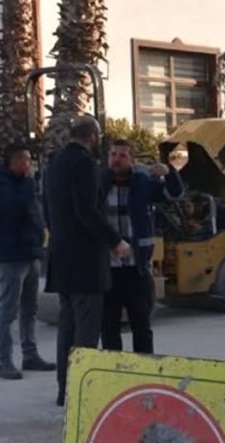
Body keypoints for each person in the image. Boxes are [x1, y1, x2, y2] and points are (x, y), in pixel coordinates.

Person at [44, 116, 130, 406]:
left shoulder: (54, 163)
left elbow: (47, 207)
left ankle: (63, 389)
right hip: (84, 260)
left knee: (66, 326)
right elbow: (87, 210)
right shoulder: (84, 165)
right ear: (93, 137)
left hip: (62, 256)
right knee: (86, 328)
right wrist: (114, 240)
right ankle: (83, 389)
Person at [100, 139, 183, 355]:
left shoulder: (142, 182)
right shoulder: (98, 183)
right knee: (109, 328)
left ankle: (144, 368)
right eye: (113, 154)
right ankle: (113, 372)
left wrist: (169, 171)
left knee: (142, 327)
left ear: (132, 161)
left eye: (122, 156)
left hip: (136, 269)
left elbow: (174, 193)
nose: (116, 159)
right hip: (107, 270)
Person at [0, 144, 55, 380]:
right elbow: (17, 209)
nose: (29, 164)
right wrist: (29, 184)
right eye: (25, 160)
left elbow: (35, 212)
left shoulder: (25, 184)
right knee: (8, 310)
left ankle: (30, 354)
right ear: (12, 162)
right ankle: (4, 361)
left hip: (30, 252)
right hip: (10, 255)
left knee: (30, 308)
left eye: (30, 159)